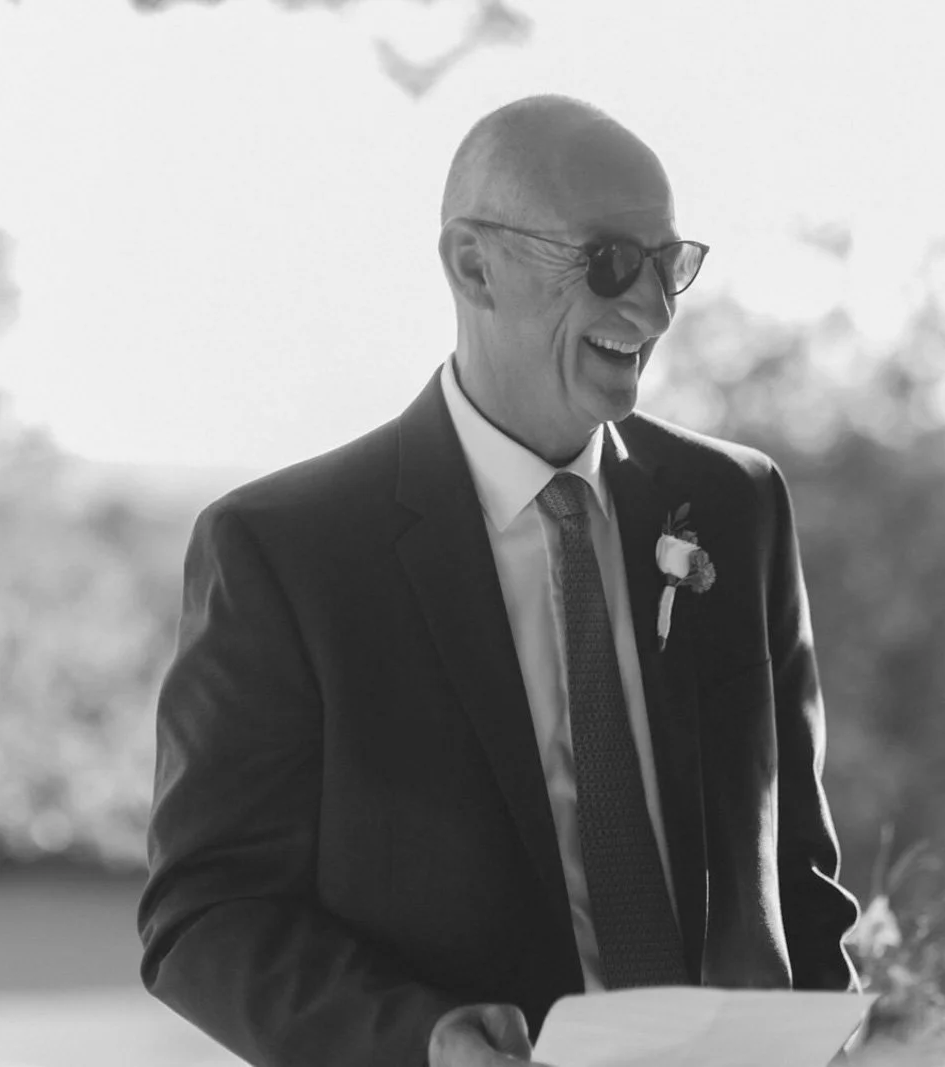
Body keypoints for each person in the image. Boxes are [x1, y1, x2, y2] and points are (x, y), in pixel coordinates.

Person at [137, 93, 860, 1067]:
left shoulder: (737, 502)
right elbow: (206, 912)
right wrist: (422, 1040)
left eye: (667, 264)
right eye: (608, 262)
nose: (649, 310)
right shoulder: (286, 552)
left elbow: (797, 869)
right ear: (473, 265)